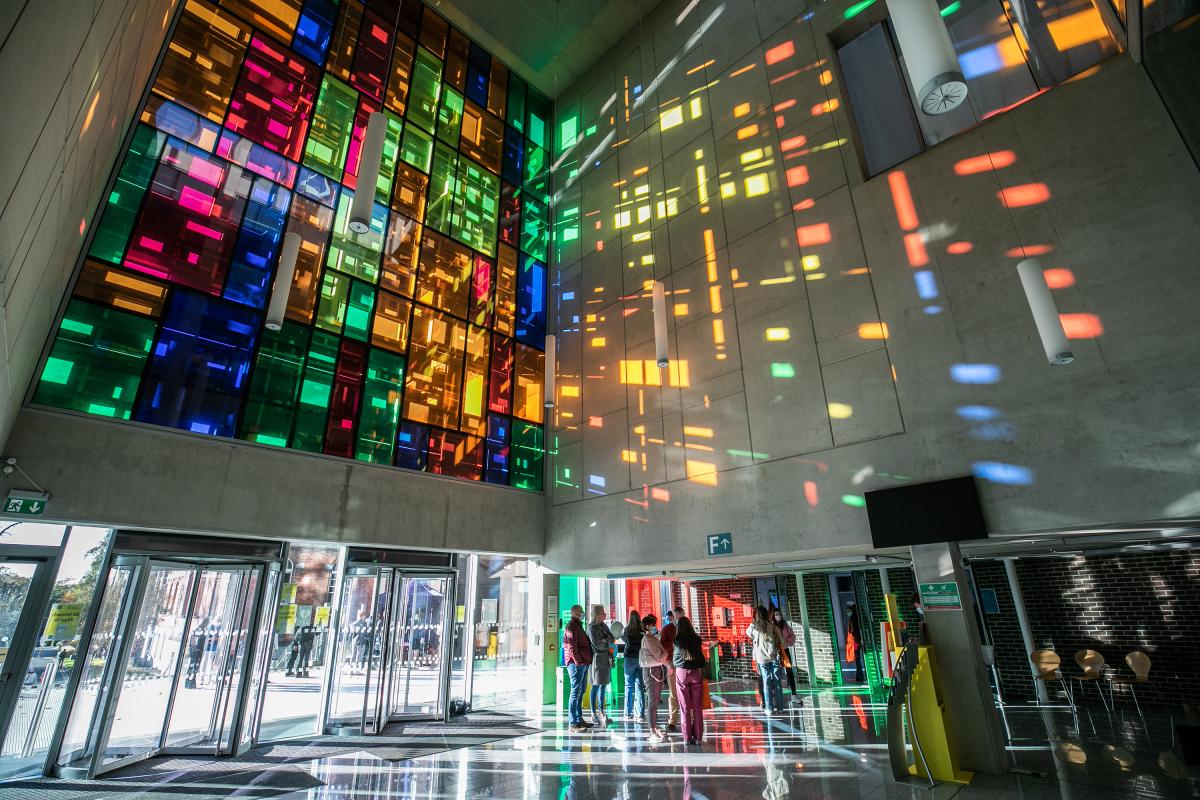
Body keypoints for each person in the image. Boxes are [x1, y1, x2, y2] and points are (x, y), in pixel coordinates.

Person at [672, 616, 707, 745]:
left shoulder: (677, 641)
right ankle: (698, 737)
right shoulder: (697, 640)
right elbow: (702, 659)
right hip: (696, 673)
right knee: (698, 707)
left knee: (684, 707)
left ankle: (686, 737)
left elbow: (675, 660)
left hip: (681, 673)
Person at [747, 605, 786, 715]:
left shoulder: (754, 626)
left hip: (761, 658)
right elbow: (782, 641)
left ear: (756, 615)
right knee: (777, 681)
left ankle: (769, 708)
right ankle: (780, 708)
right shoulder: (772, 626)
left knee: (766, 681)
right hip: (773, 655)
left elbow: (748, 634)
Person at [639, 614, 671, 742]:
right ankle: (652, 730)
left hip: (656, 670)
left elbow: (663, 653)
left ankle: (655, 727)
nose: (654, 627)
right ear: (647, 626)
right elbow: (660, 655)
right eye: (653, 625)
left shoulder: (653, 638)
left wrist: (663, 656)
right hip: (651, 671)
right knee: (652, 701)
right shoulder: (648, 638)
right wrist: (663, 656)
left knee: (655, 700)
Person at [562, 605, 594, 732]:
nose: (582, 613)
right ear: (574, 613)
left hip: (583, 663)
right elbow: (571, 647)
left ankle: (579, 719)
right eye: (580, 611)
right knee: (575, 692)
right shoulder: (571, 627)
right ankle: (573, 723)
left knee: (580, 692)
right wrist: (578, 662)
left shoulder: (577, 626)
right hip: (576, 665)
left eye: (582, 611)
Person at [587, 605, 614, 725]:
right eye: (603, 612)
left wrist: (607, 640)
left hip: (606, 659)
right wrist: (607, 640)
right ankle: (593, 713)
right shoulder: (592, 628)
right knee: (596, 685)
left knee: (603, 685)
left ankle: (601, 711)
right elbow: (599, 644)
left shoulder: (603, 626)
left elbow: (612, 638)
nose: (605, 614)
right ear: (597, 614)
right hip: (596, 660)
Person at [772, 607, 803, 705]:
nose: (778, 616)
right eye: (776, 615)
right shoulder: (772, 626)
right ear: (773, 616)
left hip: (785, 651)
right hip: (776, 652)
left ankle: (794, 695)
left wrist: (787, 642)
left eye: (779, 614)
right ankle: (775, 696)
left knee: (789, 671)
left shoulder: (785, 626)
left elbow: (792, 636)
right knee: (777, 674)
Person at [660, 606, 684, 732]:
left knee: (685, 693)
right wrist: (673, 646)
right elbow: (662, 645)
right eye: (677, 617)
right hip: (673, 662)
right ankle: (673, 721)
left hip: (685, 664)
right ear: (673, 617)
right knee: (673, 692)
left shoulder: (687, 628)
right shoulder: (667, 629)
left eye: (681, 617)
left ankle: (687, 718)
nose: (679, 620)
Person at [621, 610, 646, 722]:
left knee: (628, 686)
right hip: (639, 659)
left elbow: (623, 639)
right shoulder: (642, 630)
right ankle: (639, 714)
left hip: (629, 658)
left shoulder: (626, 630)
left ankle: (627, 713)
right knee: (639, 686)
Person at [846, 602, 865, 684]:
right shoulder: (856, 617)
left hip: (856, 642)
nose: (848, 612)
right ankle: (859, 676)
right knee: (857, 659)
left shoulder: (854, 618)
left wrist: (856, 641)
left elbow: (854, 631)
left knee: (857, 659)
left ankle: (860, 677)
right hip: (856, 641)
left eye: (849, 610)